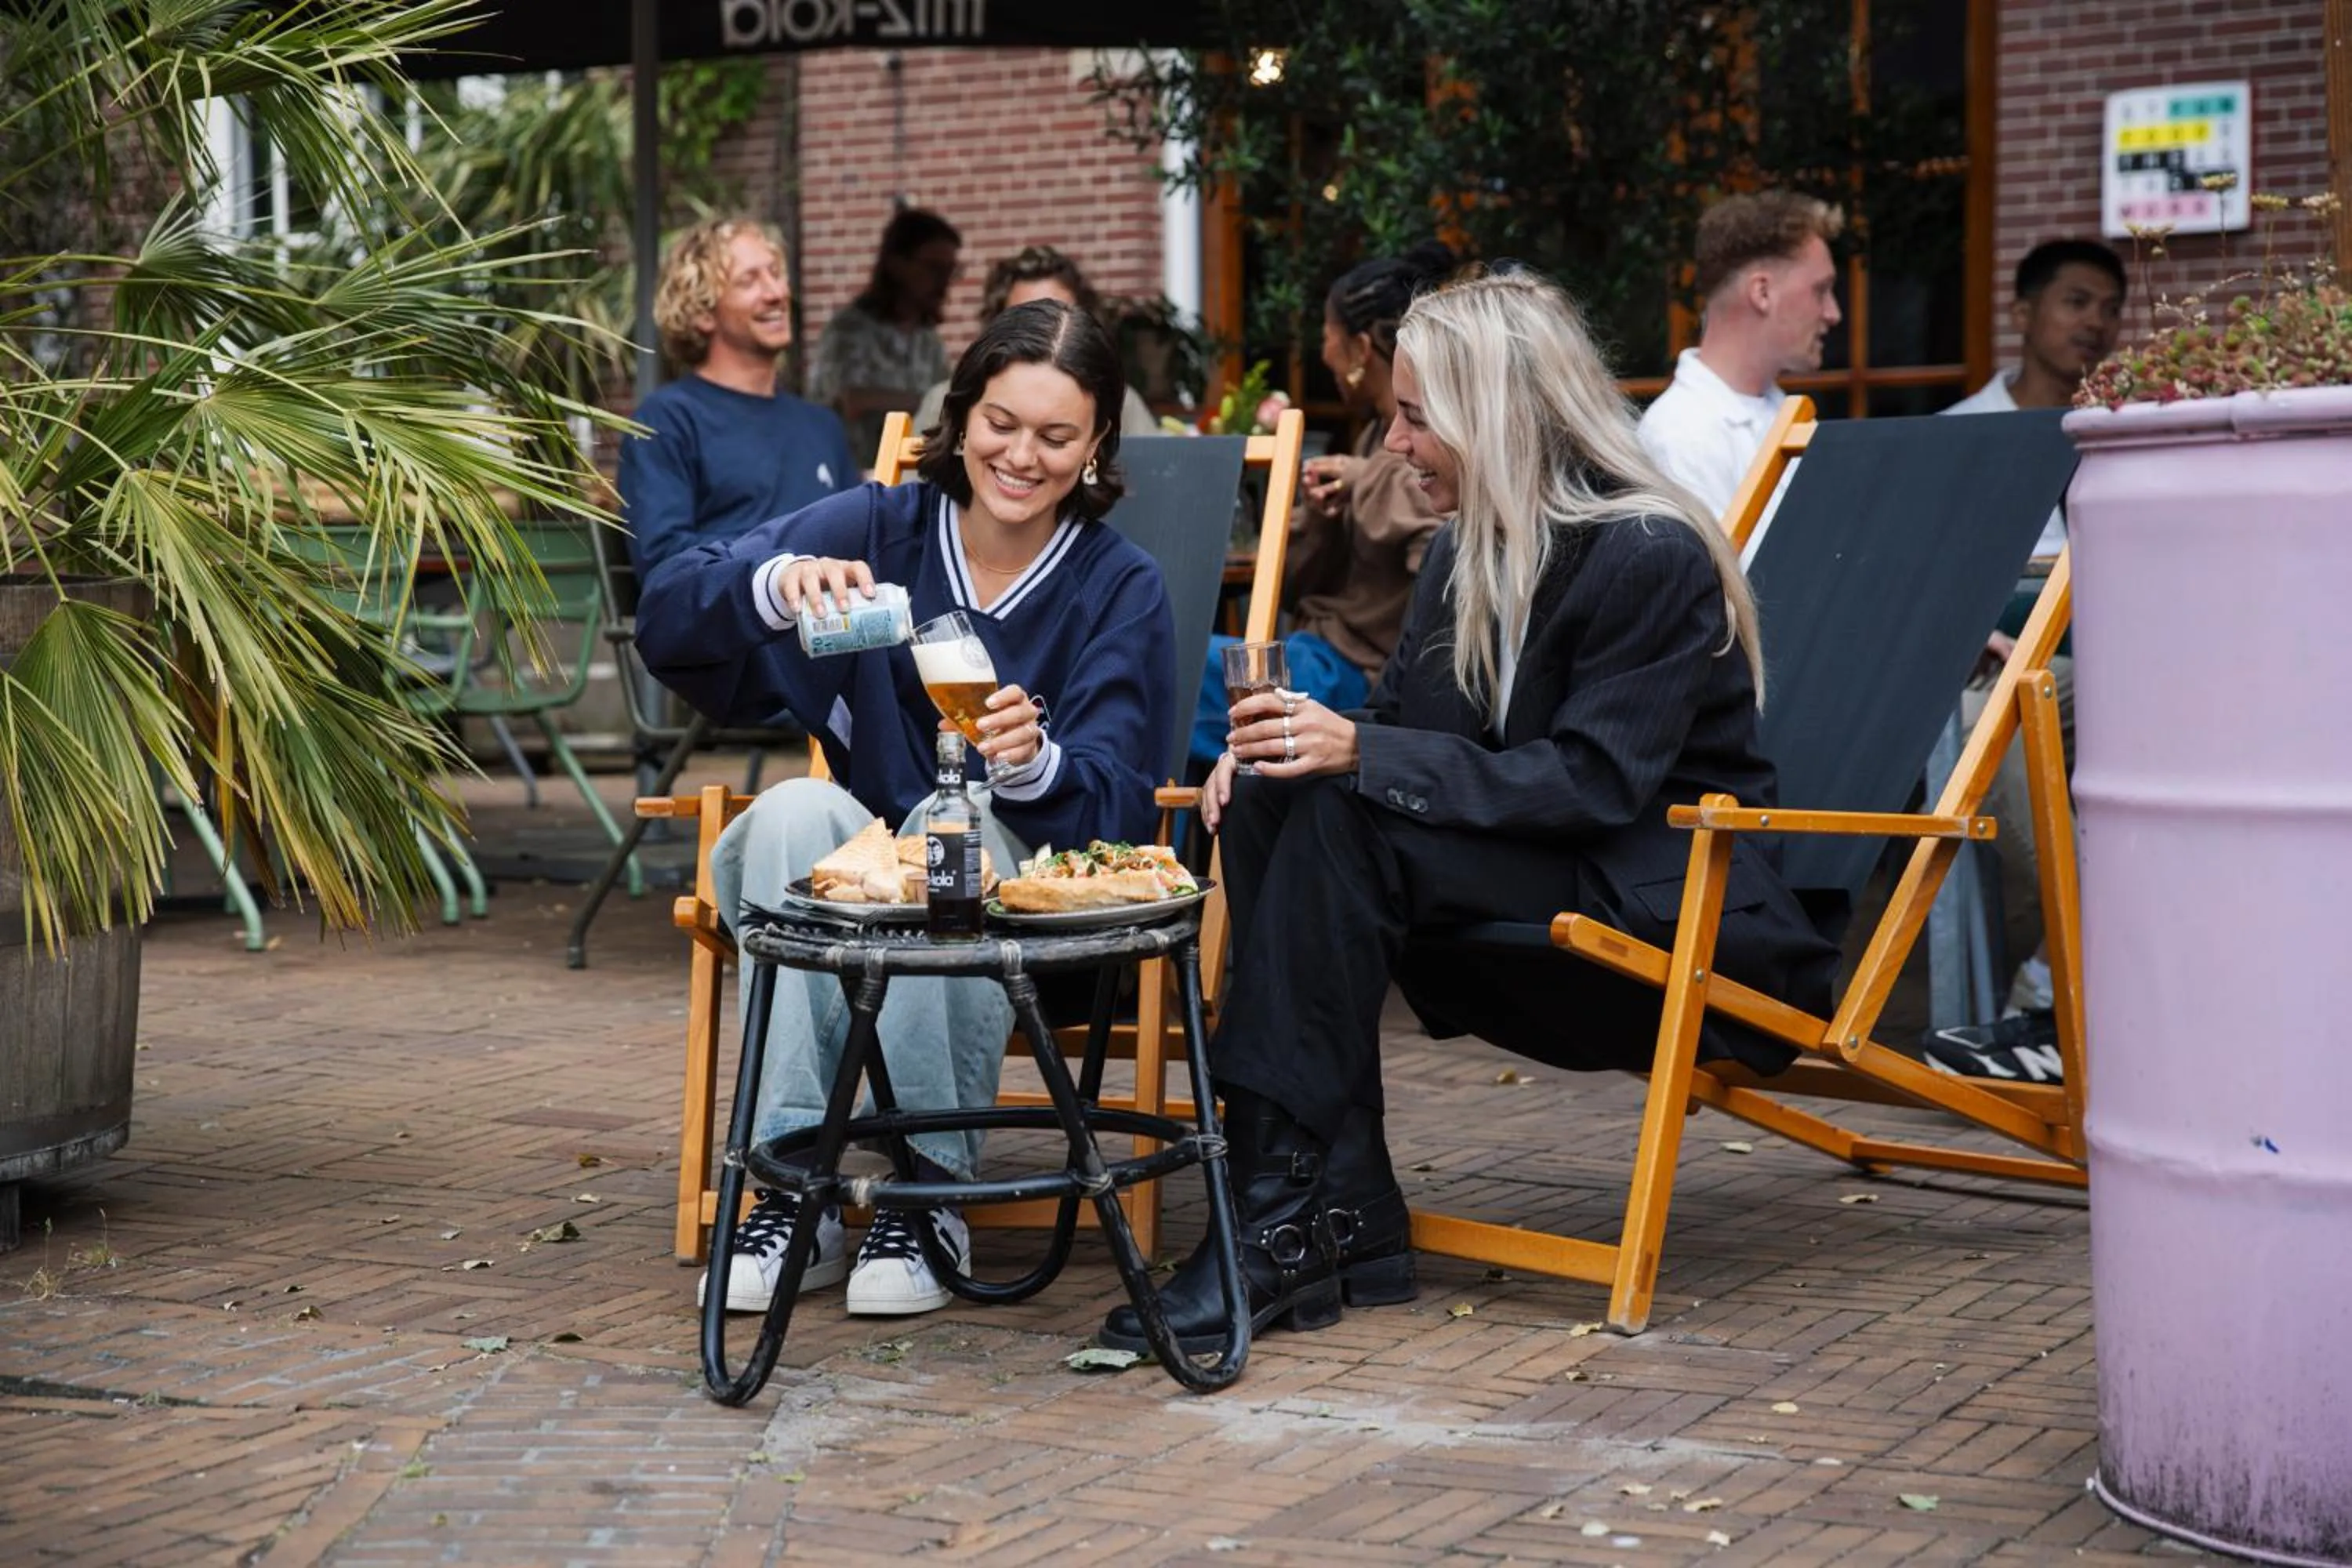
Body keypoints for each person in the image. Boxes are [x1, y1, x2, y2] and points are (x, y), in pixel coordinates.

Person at [1099, 269, 1838, 1356]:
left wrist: (1360, 752)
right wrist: (1289, 756)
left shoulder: (1650, 553)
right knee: (1273, 802)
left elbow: (1594, 784)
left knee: (1344, 813)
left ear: (1497, 416)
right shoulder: (1462, 551)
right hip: (1523, 893)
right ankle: (1334, 1217)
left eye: (1414, 417)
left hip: (1662, 921)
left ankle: (1274, 1222)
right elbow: (1400, 729)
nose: (1395, 445)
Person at [638, 300, 1176, 1318]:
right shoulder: (881, 526)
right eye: (1001, 424)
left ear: (1098, 444)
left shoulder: (1120, 587)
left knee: (952, 831)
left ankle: (927, 1192)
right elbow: (670, 612)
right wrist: (774, 584)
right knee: (796, 811)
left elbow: (1119, 804)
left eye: (1058, 437)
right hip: (862, 883)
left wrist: (1031, 766)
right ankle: (795, 1186)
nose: (1022, 456)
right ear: (961, 412)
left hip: (1027, 914)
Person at [1922, 239, 2125, 1085]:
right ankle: (2074, 989)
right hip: (1987, 679)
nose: (2098, 323)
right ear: (2022, 313)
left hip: (2102, 672)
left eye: (2111, 308)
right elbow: (1929, 585)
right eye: (2077, 301)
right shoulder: (1958, 438)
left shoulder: (2116, 436)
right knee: (2007, 751)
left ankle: (2052, 984)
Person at [1185, 244, 1453, 771]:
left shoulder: (1430, 458)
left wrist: (1365, 480)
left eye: (1326, 338)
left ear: (1357, 348)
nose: (1323, 354)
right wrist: (1325, 515)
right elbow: (1299, 584)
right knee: (1170, 662)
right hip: (1313, 652)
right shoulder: (1376, 436)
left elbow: (1441, 568)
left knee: (1177, 668)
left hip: (1353, 677)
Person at [618, 217, 859, 577]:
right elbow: (664, 561)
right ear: (701, 313)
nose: (776, 293)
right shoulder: (666, 420)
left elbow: (863, 540)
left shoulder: (823, 426)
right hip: (732, 627)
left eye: (776, 273)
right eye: (749, 281)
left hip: (840, 627)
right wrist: (787, 566)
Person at [1637, 191, 1844, 529]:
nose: (1833, 313)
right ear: (1762, 293)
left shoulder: (1779, 412)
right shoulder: (1680, 437)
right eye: (1820, 291)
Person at [913, 245, 1158, 438]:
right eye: (1026, 318)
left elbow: (1158, 478)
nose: (1043, 333)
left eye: (1058, 318)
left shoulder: (1120, 402)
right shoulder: (948, 399)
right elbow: (915, 486)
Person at [808, 207, 963, 463]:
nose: (944, 281)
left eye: (951, 271)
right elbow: (846, 401)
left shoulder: (929, 341)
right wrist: (927, 401)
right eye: (934, 268)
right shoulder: (850, 331)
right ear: (897, 264)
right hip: (854, 479)